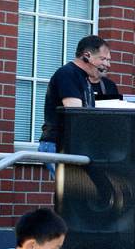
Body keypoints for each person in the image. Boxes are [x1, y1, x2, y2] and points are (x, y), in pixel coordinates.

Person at [37, 35, 115, 172]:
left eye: (108, 60)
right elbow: (77, 114)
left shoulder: (85, 78)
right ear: (87, 56)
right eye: (103, 59)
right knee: (73, 191)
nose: (108, 65)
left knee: (78, 192)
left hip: (71, 146)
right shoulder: (68, 74)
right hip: (57, 145)